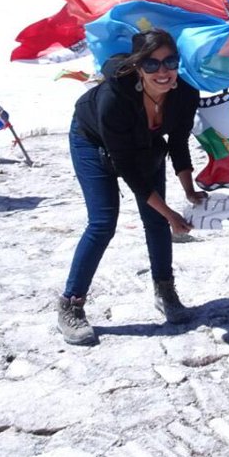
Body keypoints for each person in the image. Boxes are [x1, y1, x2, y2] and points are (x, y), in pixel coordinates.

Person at [57, 29, 207, 345]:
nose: (163, 71)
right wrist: (170, 213)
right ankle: (71, 304)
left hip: (143, 143)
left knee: (155, 220)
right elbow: (128, 170)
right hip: (90, 140)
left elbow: (178, 142)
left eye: (170, 62)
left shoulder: (185, 94)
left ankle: (164, 290)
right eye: (152, 64)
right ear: (138, 67)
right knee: (102, 222)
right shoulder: (115, 98)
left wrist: (189, 190)